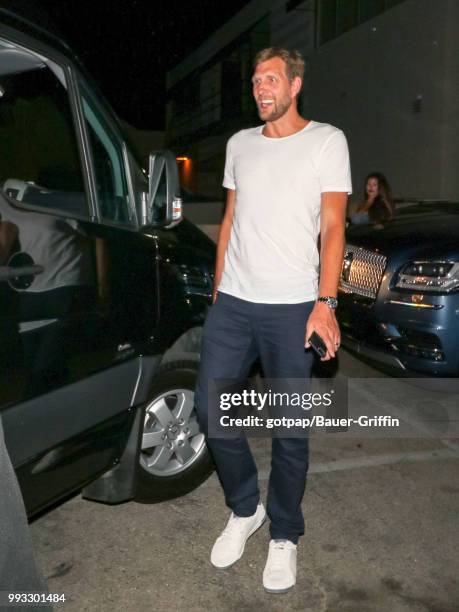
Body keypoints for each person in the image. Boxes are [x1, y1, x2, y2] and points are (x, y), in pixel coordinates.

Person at [195, 47, 351, 593]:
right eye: (257, 80)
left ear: (295, 84)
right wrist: (219, 290)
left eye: (271, 79)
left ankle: (284, 532)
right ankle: (245, 509)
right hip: (234, 302)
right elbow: (231, 220)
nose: (261, 87)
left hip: (293, 307)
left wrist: (325, 303)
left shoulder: (326, 142)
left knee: (290, 431)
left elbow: (333, 227)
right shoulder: (240, 145)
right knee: (211, 410)